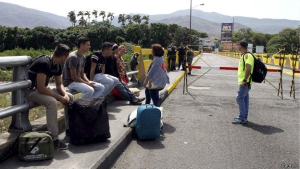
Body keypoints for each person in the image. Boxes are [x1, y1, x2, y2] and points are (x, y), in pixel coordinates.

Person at [27, 43, 73, 150]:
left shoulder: (57, 65)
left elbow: (59, 84)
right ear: (63, 57)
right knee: (52, 102)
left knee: (70, 96)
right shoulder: (44, 63)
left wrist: (65, 94)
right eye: (67, 56)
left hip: (41, 89)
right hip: (31, 91)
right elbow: (41, 88)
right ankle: (54, 139)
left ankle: (70, 128)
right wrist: (59, 98)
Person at [232, 40, 254, 124]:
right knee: (245, 99)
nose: (237, 47)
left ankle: (242, 118)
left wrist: (244, 80)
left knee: (239, 98)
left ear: (241, 46)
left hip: (245, 82)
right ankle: (244, 117)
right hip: (245, 81)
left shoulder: (247, 55)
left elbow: (248, 67)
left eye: (238, 45)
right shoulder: (245, 55)